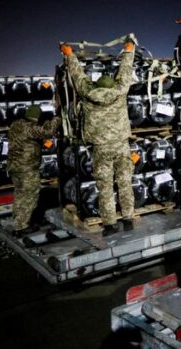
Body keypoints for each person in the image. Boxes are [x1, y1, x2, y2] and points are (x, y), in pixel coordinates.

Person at [61, 37, 136, 236]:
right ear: (112, 86)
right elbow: (125, 72)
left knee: (104, 186)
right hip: (121, 146)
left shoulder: (88, 93)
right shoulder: (120, 92)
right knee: (125, 182)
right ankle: (128, 218)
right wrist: (129, 50)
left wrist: (69, 55)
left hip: (101, 149)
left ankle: (110, 224)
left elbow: (78, 76)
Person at [8, 104, 61, 236]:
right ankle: (21, 227)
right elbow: (47, 132)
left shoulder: (16, 124)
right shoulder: (29, 127)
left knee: (20, 194)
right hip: (27, 168)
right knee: (30, 196)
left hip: (15, 167)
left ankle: (18, 221)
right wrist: (56, 119)